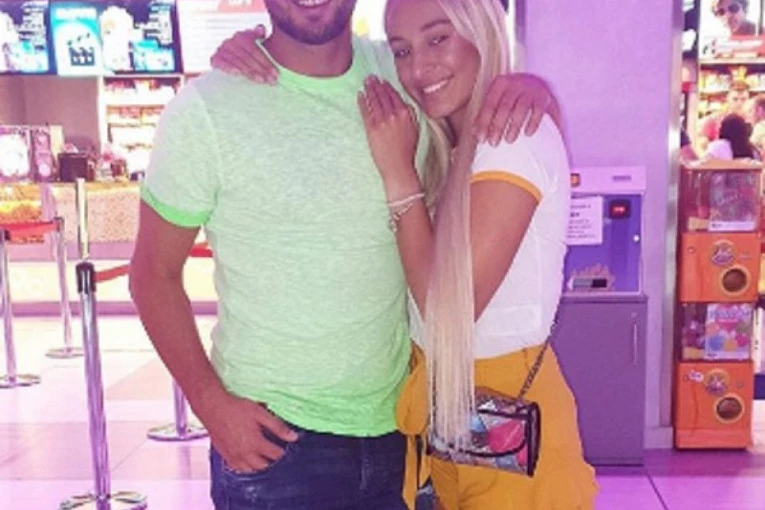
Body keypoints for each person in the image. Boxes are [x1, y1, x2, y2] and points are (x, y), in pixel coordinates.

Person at [129, 0, 561, 509]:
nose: (419, 58)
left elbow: (480, 100)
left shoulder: (401, 74)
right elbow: (152, 273)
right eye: (410, 49)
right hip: (276, 445)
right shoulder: (207, 108)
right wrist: (210, 404)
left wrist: (530, 89)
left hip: (404, 432)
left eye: (432, 42)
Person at [698, 81, 750, 151]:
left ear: (749, 99)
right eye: (735, 99)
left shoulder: (752, 121)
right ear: (727, 99)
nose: (739, 103)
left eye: (743, 99)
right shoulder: (714, 119)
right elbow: (703, 142)